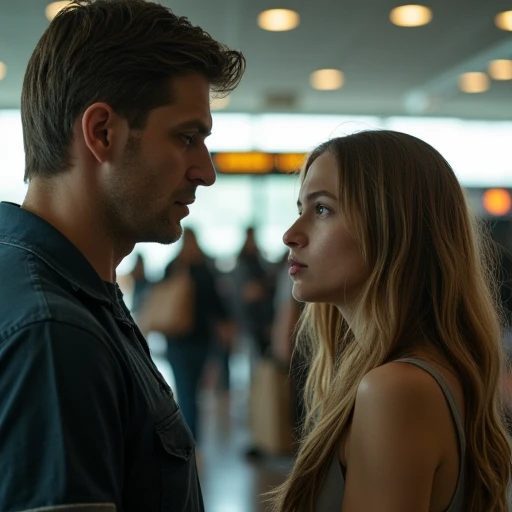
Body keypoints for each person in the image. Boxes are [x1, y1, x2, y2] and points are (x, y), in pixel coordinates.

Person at [0, 0, 245, 510]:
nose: (206, 171)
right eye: (186, 137)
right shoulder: (54, 331)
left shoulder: (65, 291)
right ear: (102, 133)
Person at [270, 130, 511, 511]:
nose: (290, 234)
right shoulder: (417, 374)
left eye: (322, 209)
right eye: (302, 209)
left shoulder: (396, 388)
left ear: (395, 227)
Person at [162, 228, 233, 442]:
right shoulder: (204, 270)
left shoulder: (172, 267)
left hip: (176, 339)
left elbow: (160, 299)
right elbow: (217, 306)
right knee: (193, 391)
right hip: (200, 340)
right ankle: (192, 438)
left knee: (184, 391)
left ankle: (186, 438)